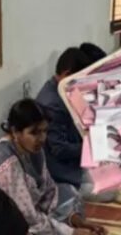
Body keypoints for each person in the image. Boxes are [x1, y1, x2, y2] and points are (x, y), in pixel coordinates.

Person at [0, 99, 107, 235]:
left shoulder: (34, 150)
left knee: (68, 192)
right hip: (5, 226)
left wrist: (76, 220)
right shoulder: (6, 165)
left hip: (32, 211)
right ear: (15, 132)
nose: (42, 138)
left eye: (45, 131)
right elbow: (26, 217)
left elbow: (49, 192)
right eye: (34, 132)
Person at [36, 47, 92, 191]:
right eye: (80, 81)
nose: (82, 87)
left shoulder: (56, 89)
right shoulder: (52, 103)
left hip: (74, 162)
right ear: (67, 74)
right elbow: (59, 149)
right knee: (111, 190)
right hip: (61, 174)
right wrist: (92, 146)